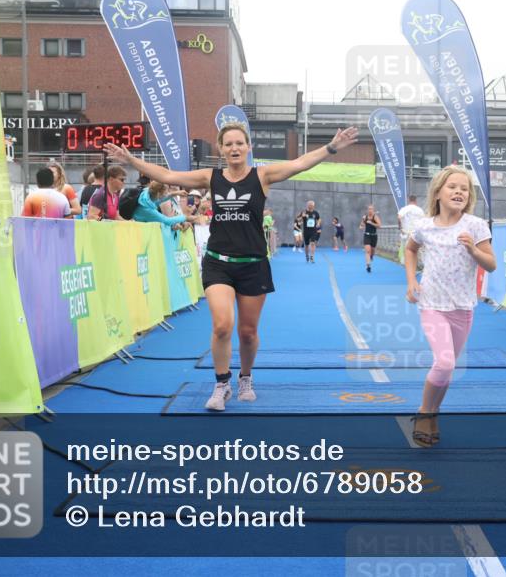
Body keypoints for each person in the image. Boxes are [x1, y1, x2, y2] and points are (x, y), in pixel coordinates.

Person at [105, 123, 359, 411]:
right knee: (222, 325)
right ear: (221, 149)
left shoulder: (262, 175)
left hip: (253, 265)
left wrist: (332, 147)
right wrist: (130, 160)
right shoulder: (210, 177)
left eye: (240, 143)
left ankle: (246, 377)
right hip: (218, 263)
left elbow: (300, 163)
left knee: (248, 332)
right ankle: (221, 384)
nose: (235, 148)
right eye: (228, 144)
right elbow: (167, 175)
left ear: (248, 147)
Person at [404, 166, 495, 446]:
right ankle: (423, 412)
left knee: (447, 367)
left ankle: (433, 413)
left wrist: (474, 250)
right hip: (432, 303)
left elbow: (490, 265)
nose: (458, 192)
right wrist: (411, 281)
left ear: (469, 197)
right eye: (452, 187)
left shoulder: (476, 225)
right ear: (439, 193)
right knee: (443, 362)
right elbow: (410, 249)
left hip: (462, 307)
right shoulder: (424, 227)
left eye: (464, 189)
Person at [397, 194, 426, 263]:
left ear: (408, 200)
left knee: (408, 251)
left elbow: (399, 217)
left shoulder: (405, 209)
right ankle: (421, 265)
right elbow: (424, 221)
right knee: (419, 251)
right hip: (418, 233)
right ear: (416, 201)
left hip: (407, 233)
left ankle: (409, 267)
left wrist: (400, 227)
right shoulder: (420, 210)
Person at [359, 204, 381, 273]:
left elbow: (379, 225)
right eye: (369, 209)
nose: (370, 210)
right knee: (367, 251)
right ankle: (368, 265)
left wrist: (371, 223)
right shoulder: (365, 217)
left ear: (373, 210)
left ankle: (371, 256)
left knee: (372, 251)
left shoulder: (375, 217)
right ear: (367, 210)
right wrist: (361, 226)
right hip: (367, 235)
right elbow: (361, 225)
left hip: (374, 236)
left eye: (371, 209)